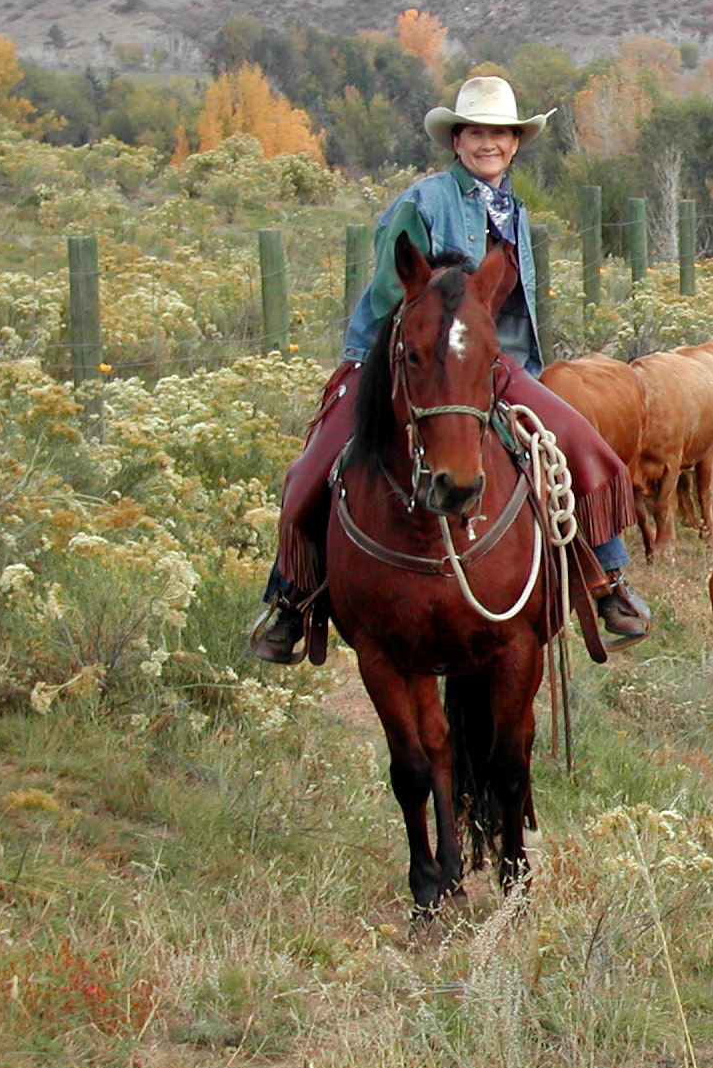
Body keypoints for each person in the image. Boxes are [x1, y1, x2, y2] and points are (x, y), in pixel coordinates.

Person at [250, 75, 650, 663]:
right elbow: (392, 288)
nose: (488, 143)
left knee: (580, 445)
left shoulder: (513, 208)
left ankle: (606, 578)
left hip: (494, 363)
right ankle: (290, 596)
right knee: (315, 465)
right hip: (402, 358)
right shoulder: (422, 201)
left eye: (500, 134)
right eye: (476, 132)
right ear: (457, 140)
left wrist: (501, 359)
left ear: (515, 144)